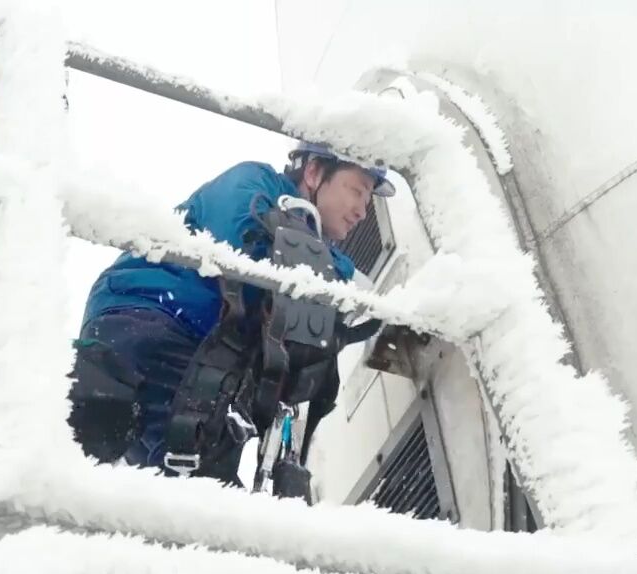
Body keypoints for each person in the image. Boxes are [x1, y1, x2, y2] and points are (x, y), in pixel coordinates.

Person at [69, 142, 394, 487]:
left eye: (367, 200)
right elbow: (245, 237)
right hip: (153, 314)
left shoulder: (307, 245)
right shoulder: (257, 182)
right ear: (314, 172)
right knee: (200, 482)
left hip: (196, 350)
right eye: (356, 191)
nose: (361, 211)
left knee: (189, 477)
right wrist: (348, 282)